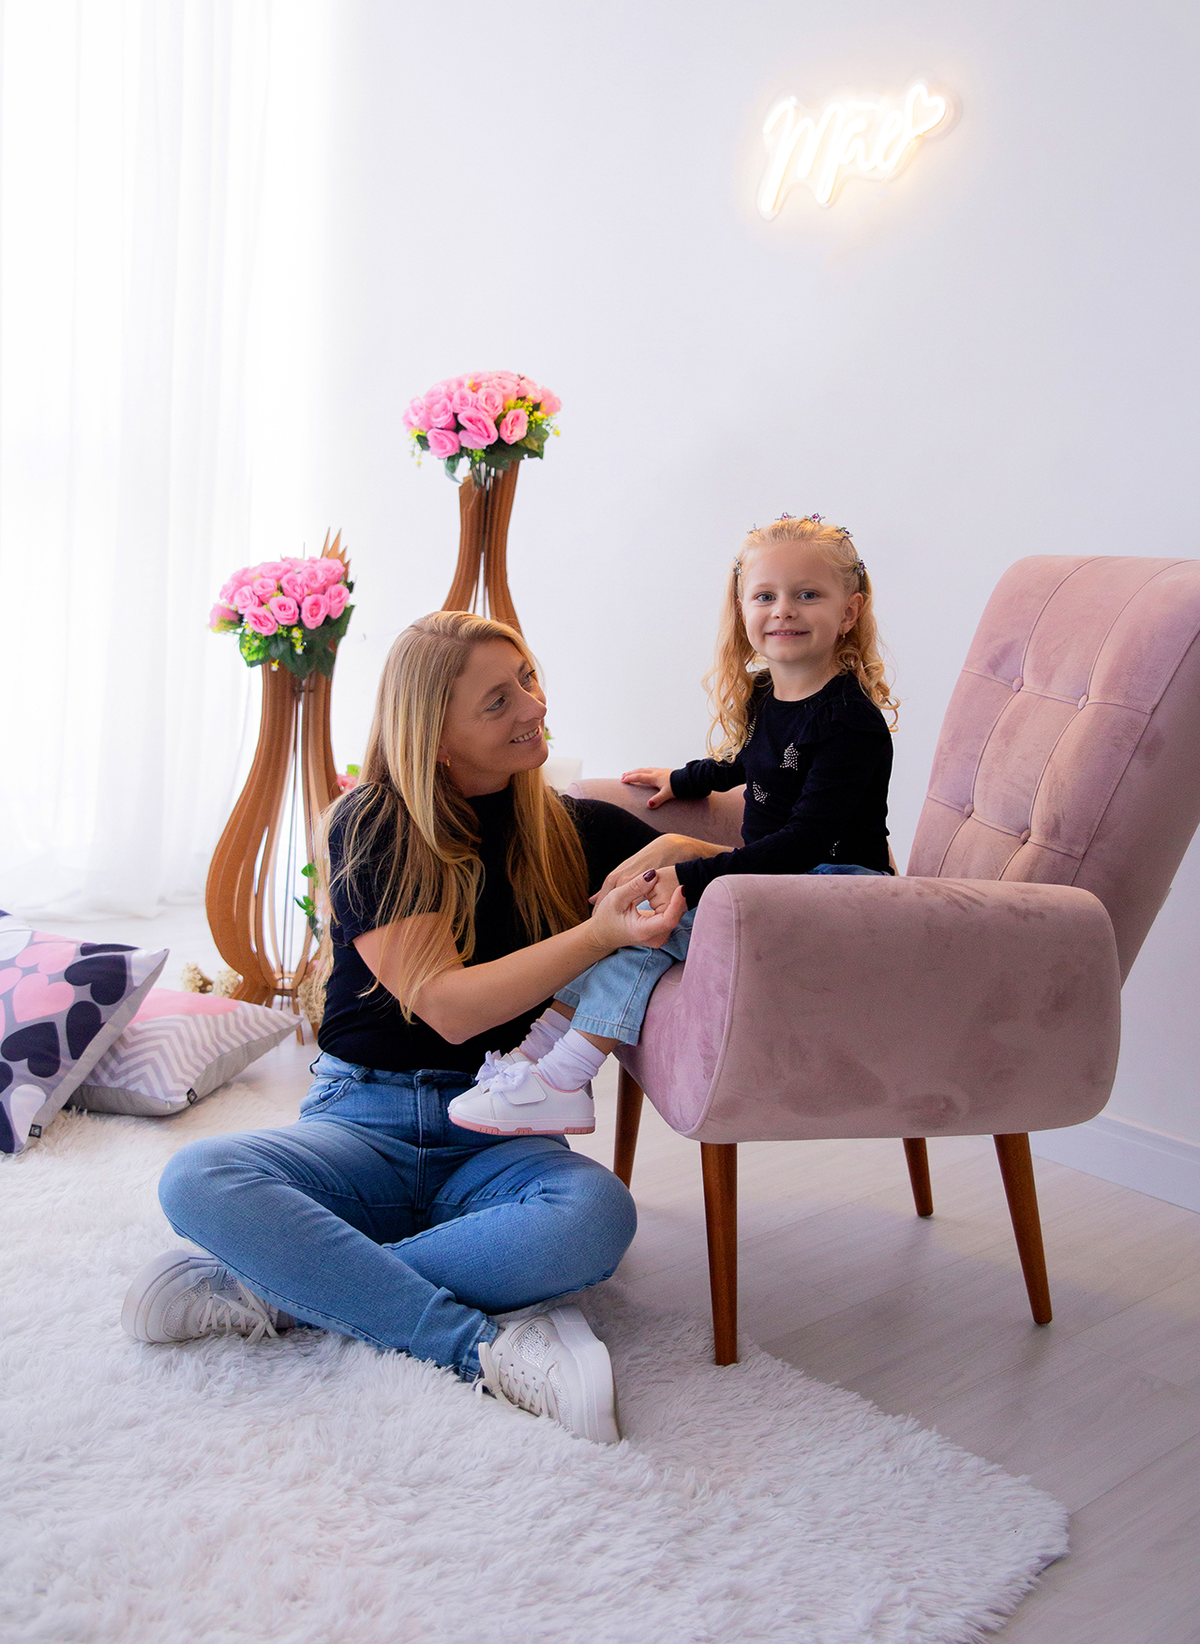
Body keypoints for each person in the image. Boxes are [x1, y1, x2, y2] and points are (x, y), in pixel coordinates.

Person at [121, 611, 685, 1446]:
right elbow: (450, 1006)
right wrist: (598, 934)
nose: (531, 705)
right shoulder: (374, 824)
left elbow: (700, 865)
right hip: (364, 1121)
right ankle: (475, 1347)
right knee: (199, 1178)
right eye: (497, 701)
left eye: (526, 679)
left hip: (496, 1127)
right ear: (438, 735)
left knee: (596, 1216)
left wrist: (750, 831)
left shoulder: (573, 829)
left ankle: (282, 1289)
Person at [447, 513, 897, 1139]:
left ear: (848, 613)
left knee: (653, 926)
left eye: (808, 594)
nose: (783, 610)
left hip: (840, 886)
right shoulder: (772, 696)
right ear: (742, 609)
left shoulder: (849, 721)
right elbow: (750, 763)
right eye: (765, 595)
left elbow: (804, 841)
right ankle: (531, 1060)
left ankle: (564, 1080)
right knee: (619, 927)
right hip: (785, 874)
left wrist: (691, 873)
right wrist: (686, 780)